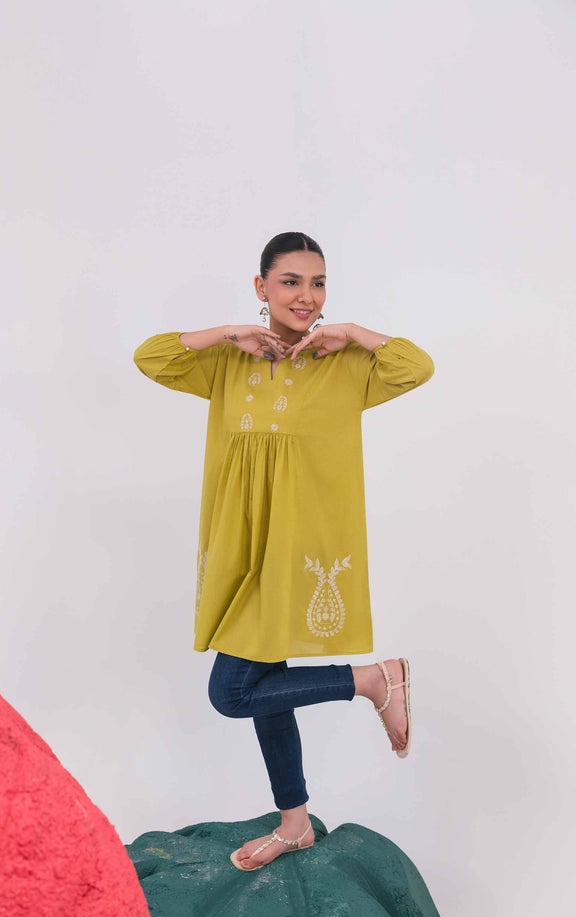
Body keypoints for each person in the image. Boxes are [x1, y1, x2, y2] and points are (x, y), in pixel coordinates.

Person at [133, 231, 434, 872]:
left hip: (300, 549)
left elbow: (416, 365)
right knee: (262, 685)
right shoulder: (228, 361)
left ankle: (372, 680)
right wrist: (227, 334)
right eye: (291, 281)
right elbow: (151, 357)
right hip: (241, 547)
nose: (306, 296)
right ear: (261, 286)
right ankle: (295, 823)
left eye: (318, 283)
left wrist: (355, 334)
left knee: (232, 692)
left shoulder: (345, 363)